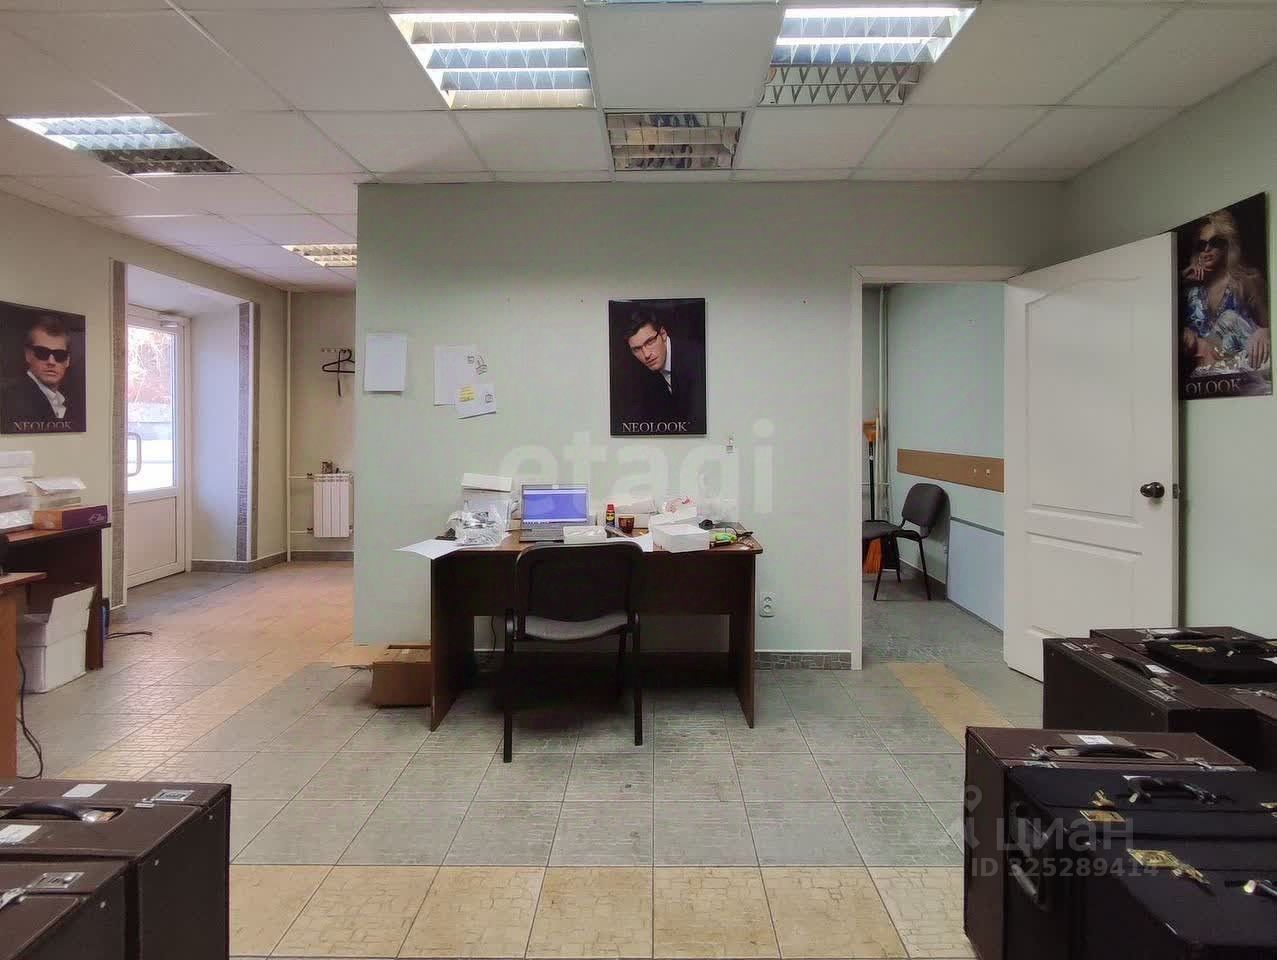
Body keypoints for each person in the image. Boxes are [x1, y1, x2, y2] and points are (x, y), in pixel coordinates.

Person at [1181, 209, 1270, 378]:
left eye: (1215, 242)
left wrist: (1265, 332)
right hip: (1204, 381)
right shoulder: (1190, 292)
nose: (1207, 249)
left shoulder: (1245, 281)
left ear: (1227, 244)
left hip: (1249, 375)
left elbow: (1269, 325)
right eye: (1201, 245)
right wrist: (1181, 277)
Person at [619, 309, 706, 433]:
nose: (646, 354)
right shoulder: (641, 376)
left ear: (663, 334)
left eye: (650, 342)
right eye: (637, 349)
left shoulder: (698, 360)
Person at [2, 314, 84, 432]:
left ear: (67, 361)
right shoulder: (8, 400)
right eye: (42, 352)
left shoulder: (71, 404)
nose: (51, 362)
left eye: (60, 355)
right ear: (28, 355)